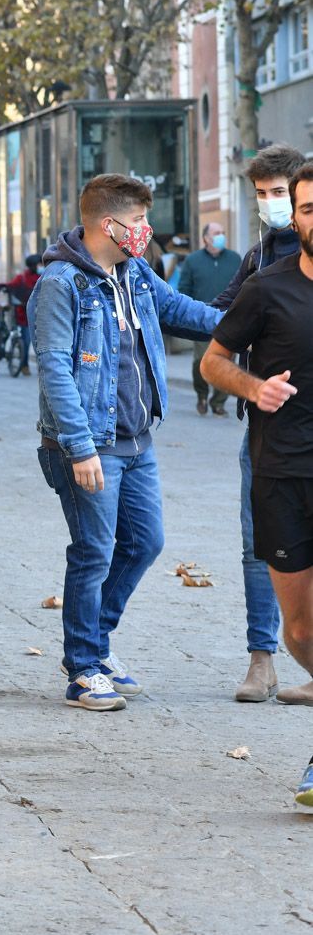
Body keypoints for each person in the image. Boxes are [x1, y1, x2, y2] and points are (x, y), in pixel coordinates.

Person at [29, 173, 221, 711]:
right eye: (137, 221)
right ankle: (84, 668)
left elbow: (181, 311)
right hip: (88, 445)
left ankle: (98, 644)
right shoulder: (62, 284)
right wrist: (79, 446)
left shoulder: (133, 271)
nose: (145, 230)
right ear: (107, 224)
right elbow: (55, 371)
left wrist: (246, 325)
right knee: (93, 553)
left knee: (145, 543)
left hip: (138, 442)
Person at [198, 162, 313, 804]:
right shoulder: (265, 289)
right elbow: (214, 361)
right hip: (281, 474)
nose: (309, 216)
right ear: (296, 219)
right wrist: (253, 386)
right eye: (306, 208)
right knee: (300, 631)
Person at [212, 144, 308, 702]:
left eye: (280, 194)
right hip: (268, 434)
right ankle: (261, 660)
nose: (272, 205)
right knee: (260, 545)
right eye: (263, 195)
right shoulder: (258, 258)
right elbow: (219, 321)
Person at [176, 222, 241, 415]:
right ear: (205, 238)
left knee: (227, 363)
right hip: (201, 321)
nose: (221, 236)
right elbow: (183, 290)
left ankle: (218, 402)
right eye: (216, 233)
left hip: (229, 321)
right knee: (200, 362)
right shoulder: (193, 261)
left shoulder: (235, 259)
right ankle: (202, 395)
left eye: (222, 232)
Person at [0, 254, 40, 374]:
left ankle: (42, 368)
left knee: (42, 345)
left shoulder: (44, 277)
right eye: (39, 264)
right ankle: (24, 365)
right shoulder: (22, 278)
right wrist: (4, 286)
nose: (41, 266)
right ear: (32, 266)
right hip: (25, 317)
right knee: (26, 341)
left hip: (41, 316)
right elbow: (12, 285)